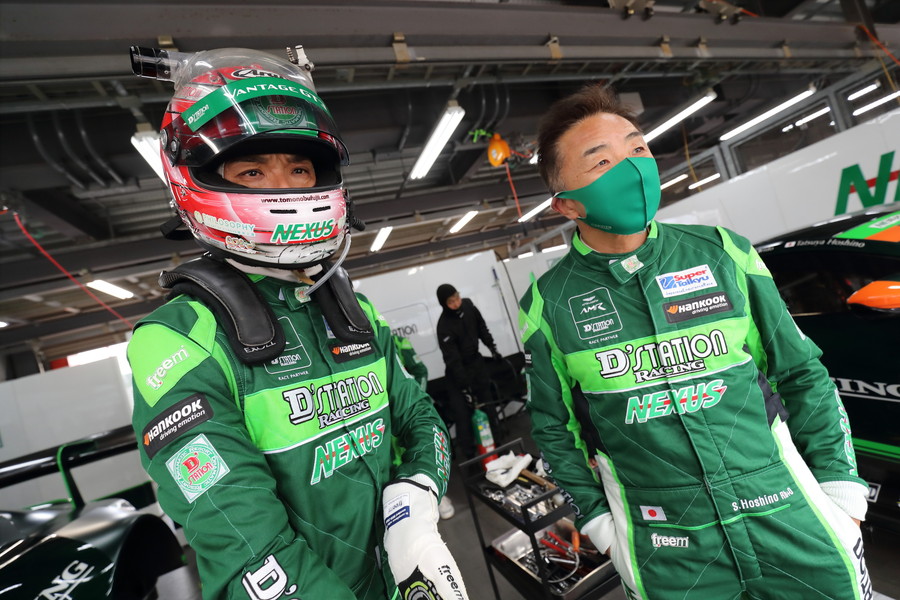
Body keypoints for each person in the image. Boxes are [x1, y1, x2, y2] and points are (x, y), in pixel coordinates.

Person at [126, 45, 469, 600]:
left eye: (300, 168)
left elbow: (421, 416)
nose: (285, 186)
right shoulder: (178, 338)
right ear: (200, 179)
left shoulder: (353, 309)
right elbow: (241, 537)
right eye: (253, 170)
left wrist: (418, 497)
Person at [518, 84, 871, 600]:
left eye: (638, 149)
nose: (632, 168)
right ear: (566, 205)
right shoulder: (549, 303)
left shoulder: (724, 253)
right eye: (602, 162)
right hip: (668, 550)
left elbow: (801, 372)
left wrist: (841, 489)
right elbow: (553, 429)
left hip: (791, 518)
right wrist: (599, 527)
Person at [436, 283, 500, 459]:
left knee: (488, 406)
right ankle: (470, 457)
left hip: (476, 364)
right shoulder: (444, 326)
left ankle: (498, 447)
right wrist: (464, 387)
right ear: (444, 304)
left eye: (457, 297)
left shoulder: (469, 306)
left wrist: (492, 348)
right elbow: (453, 359)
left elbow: (481, 328)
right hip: (457, 373)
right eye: (451, 302)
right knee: (463, 415)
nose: (457, 303)